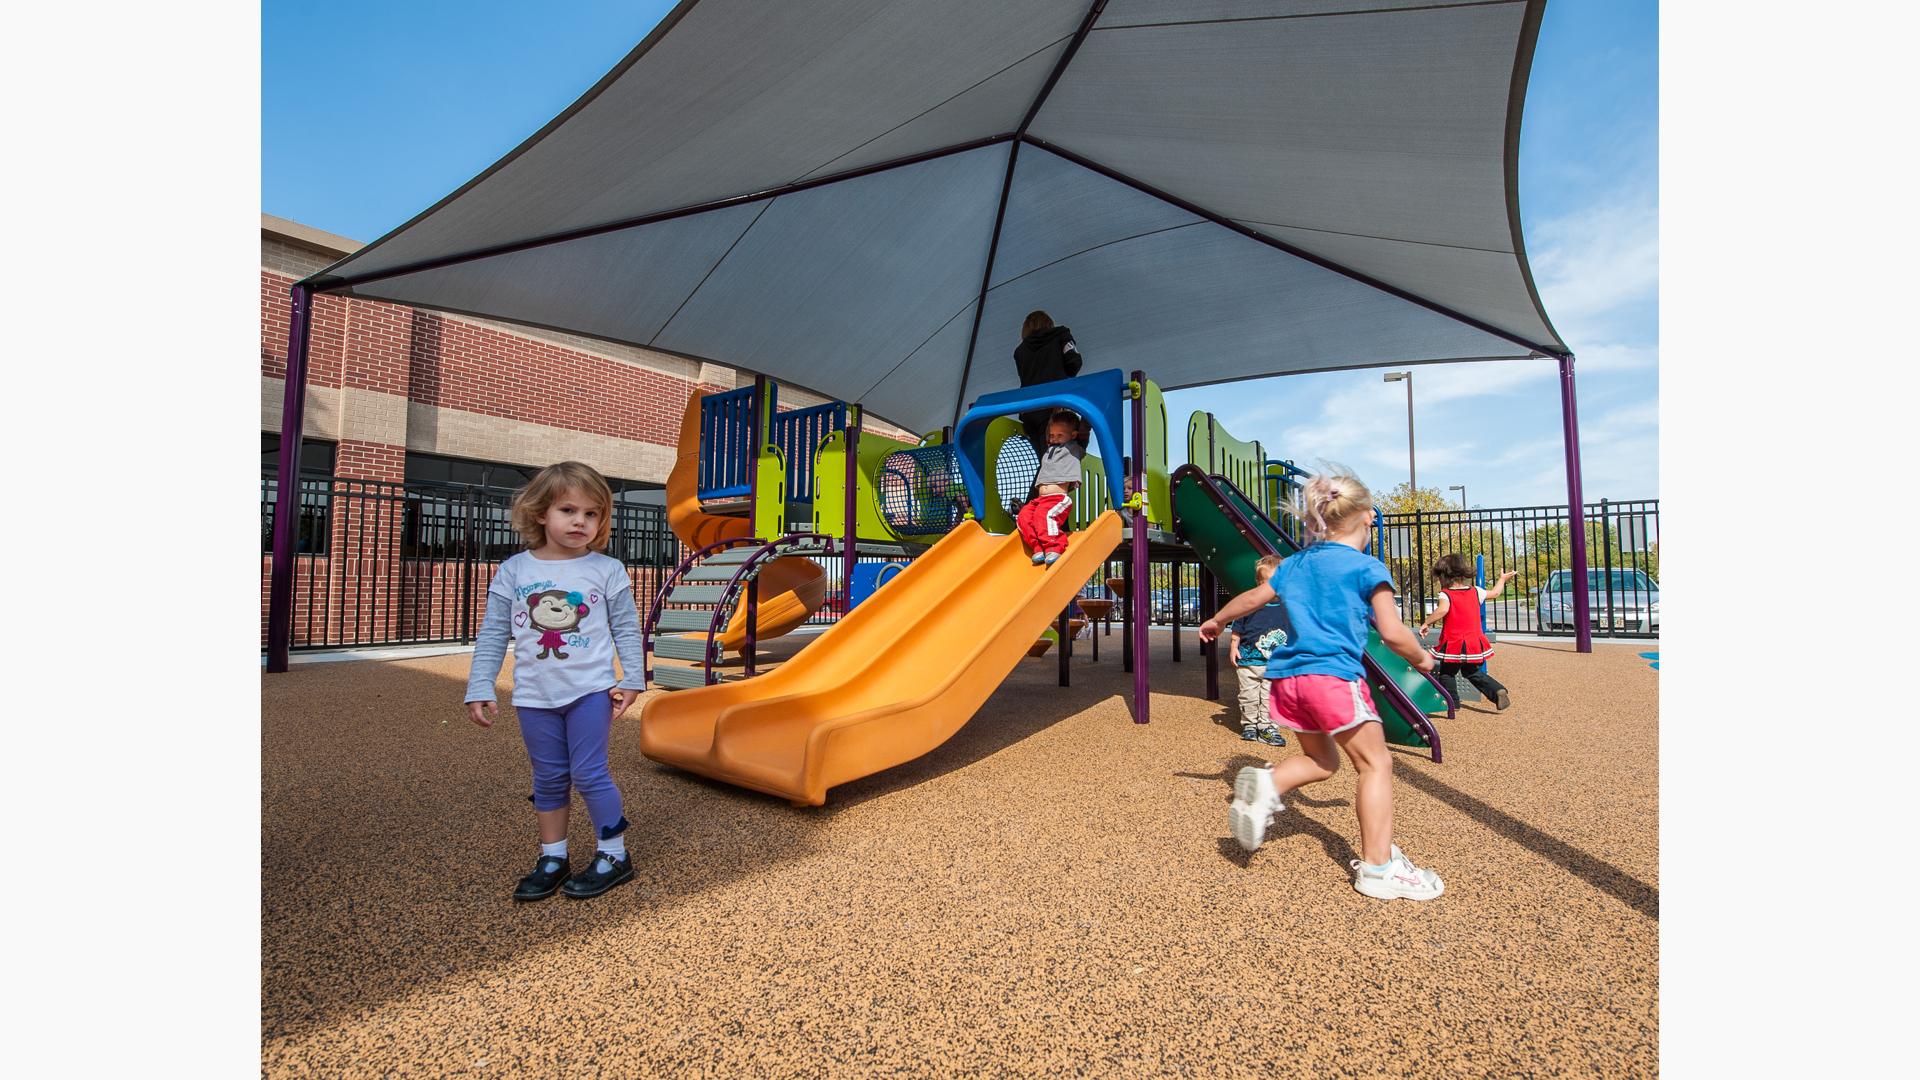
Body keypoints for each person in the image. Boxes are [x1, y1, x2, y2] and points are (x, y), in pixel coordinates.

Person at [1197, 466, 1445, 901]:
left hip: (1287, 680)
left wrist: (1218, 620)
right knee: (1375, 765)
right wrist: (1422, 657)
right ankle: (1378, 868)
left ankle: (1269, 783)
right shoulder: (1368, 568)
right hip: (1332, 678)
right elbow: (1391, 632)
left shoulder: (1294, 564)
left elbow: (1252, 598)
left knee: (1322, 762)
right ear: (1367, 516)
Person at [465, 461, 647, 902]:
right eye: (569, 510)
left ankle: (613, 854)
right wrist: (480, 684)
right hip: (533, 695)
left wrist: (634, 677)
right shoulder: (514, 571)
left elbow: (626, 627)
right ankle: (554, 856)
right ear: (541, 513)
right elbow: (493, 632)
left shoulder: (607, 570)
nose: (580, 521)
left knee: (589, 773)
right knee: (548, 777)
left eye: (591, 514)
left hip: (590, 691)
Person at [1416, 554, 1515, 711]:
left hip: (1454, 642)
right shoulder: (1476, 591)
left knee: (1447, 673)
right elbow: (1495, 594)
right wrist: (1502, 579)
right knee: (1472, 672)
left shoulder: (1446, 594)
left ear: (1444, 576)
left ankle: (1452, 702)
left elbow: (1443, 610)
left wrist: (1426, 622)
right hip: (1474, 641)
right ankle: (1497, 691)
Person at [1228, 554, 1289, 746]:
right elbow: (1237, 628)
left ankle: (1267, 727)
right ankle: (1250, 725)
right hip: (1248, 661)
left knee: (1270, 696)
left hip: (1275, 664)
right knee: (1248, 694)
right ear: (1258, 582)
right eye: (1266, 583)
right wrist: (1233, 647)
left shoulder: (1287, 607)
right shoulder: (1251, 604)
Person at [1016, 411, 1085, 566]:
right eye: (1052, 435)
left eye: (1060, 435)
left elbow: (1084, 431)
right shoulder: (1049, 448)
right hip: (1040, 500)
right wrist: (1054, 412)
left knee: (1043, 516)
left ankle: (1055, 546)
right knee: (1023, 517)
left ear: (1073, 435)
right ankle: (1037, 547)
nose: (1054, 438)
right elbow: (1048, 430)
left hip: (1058, 499)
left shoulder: (1073, 449)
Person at [1012, 310, 1081, 446]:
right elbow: (1074, 363)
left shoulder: (1019, 351)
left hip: (1029, 410)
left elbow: (1025, 379)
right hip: (1056, 406)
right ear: (1049, 324)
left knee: (1045, 458)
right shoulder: (1061, 335)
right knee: (1059, 455)